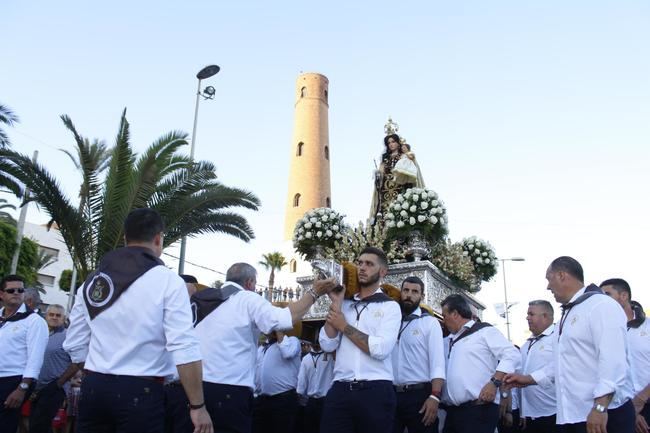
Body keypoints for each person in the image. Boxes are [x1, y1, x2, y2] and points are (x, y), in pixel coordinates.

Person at [63, 208, 212, 433]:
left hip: (94, 389)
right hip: (140, 392)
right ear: (158, 239)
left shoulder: (93, 282)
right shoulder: (169, 281)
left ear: (125, 238)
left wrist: (100, 371)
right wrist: (197, 406)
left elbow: (75, 344)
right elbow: (183, 346)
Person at [192, 262, 337, 433]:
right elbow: (284, 319)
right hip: (229, 392)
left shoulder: (201, 300)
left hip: (195, 391)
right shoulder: (246, 298)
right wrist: (314, 293)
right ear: (250, 283)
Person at [505, 256, 635, 433]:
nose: (548, 286)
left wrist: (600, 407)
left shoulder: (600, 305)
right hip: (575, 415)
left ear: (561, 275)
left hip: (603, 416)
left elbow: (613, 361)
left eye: (549, 279)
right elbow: (564, 361)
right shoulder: (568, 314)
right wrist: (529, 379)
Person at [319, 246, 402, 433]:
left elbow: (380, 349)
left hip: (376, 391)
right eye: (360, 263)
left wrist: (344, 326)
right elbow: (327, 343)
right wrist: (337, 303)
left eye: (369, 264)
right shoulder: (345, 305)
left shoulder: (390, 307)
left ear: (382, 272)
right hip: (340, 389)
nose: (362, 268)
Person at [440, 294, 520, 433]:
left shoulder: (484, 331)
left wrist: (494, 382)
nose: (444, 320)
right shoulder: (449, 340)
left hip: (478, 410)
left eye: (445, 315)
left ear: (455, 314)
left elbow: (512, 354)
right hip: (454, 413)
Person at [391, 276, 445, 433]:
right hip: (392, 394)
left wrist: (435, 396)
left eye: (415, 292)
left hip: (420, 396)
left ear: (422, 296)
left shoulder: (429, 322)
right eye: (406, 290)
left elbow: (438, 362)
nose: (409, 295)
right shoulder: (392, 321)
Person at [0, 274, 49, 433]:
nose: (16, 293)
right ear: (1, 294)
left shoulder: (34, 321)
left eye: (20, 290)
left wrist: (22, 388)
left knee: (4, 425)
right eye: (11, 290)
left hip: (13, 380)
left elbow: (35, 358)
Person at [600, 279, 650, 433]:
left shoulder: (648, 327)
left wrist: (640, 400)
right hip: (617, 407)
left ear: (623, 296)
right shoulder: (602, 331)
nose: (602, 299)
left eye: (607, 294)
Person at [29, 304, 79, 433]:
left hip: (54, 387)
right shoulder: (40, 333)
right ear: (45, 316)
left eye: (58, 315)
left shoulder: (68, 336)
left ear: (64, 318)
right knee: (34, 423)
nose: (54, 318)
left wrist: (59, 383)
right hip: (35, 386)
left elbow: (78, 362)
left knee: (40, 424)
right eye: (51, 315)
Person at [515, 300, 557, 433]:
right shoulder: (527, 345)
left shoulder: (558, 338)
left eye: (531, 314)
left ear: (545, 316)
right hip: (530, 417)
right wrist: (523, 411)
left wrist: (530, 379)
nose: (527, 317)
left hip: (554, 413)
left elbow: (559, 367)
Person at [252, 330, 301, 433]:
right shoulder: (263, 348)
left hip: (283, 400)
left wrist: (279, 329)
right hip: (261, 400)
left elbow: (287, 353)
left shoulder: (293, 341)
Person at [297, 341, 335, 433]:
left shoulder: (329, 356)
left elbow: (301, 385)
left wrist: (299, 394)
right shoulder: (329, 356)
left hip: (321, 401)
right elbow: (301, 383)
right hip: (317, 402)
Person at [370, 134, 405, 218]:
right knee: (385, 211)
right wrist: (378, 175)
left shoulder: (403, 156)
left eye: (393, 142)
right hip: (386, 190)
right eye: (389, 143)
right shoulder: (385, 158)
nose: (391, 144)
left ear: (398, 143)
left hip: (400, 187)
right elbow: (381, 172)